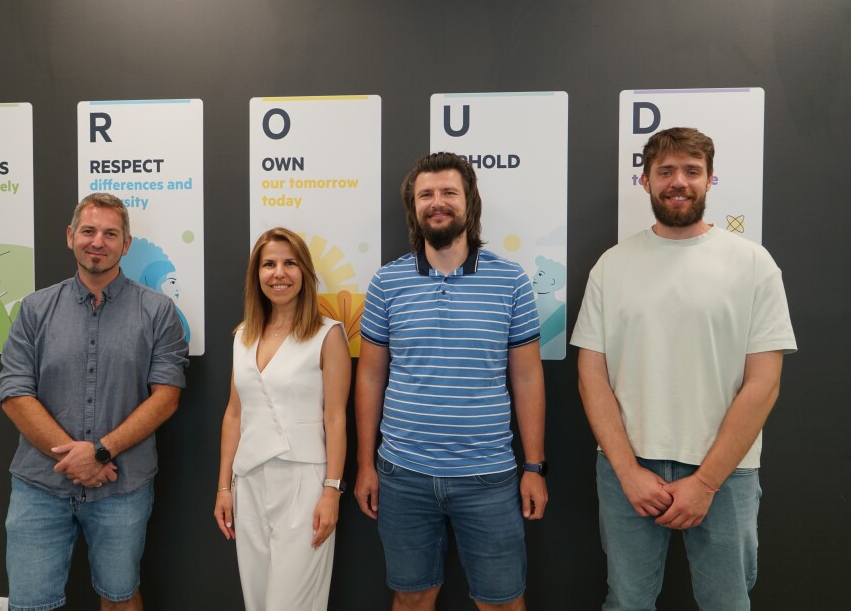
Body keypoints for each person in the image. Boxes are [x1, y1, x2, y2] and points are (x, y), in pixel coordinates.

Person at [571, 127, 797, 610]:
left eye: (692, 171)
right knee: (626, 603)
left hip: (727, 471)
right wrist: (627, 470)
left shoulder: (753, 264)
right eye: (666, 171)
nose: (679, 182)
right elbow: (592, 378)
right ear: (646, 181)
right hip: (628, 468)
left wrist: (707, 481)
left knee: (727, 603)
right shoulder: (611, 266)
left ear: (710, 179)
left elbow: (764, 383)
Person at [355, 152, 548, 611]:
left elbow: (527, 376)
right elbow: (370, 376)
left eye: (448, 192)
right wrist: (365, 465)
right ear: (414, 207)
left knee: (502, 603)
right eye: (426, 194)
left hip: (489, 476)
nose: (437, 202)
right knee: (412, 597)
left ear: (469, 202)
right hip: (402, 474)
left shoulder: (510, 281)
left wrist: (535, 467)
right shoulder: (386, 282)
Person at [0, 192, 189, 611]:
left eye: (110, 233)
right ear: (70, 236)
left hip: (123, 486)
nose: (97, 242)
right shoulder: (34, 310)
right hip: (39, 487)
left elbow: (166, 398)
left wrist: (101, 452)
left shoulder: (158, 312)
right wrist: (77, 460)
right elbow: (14, 394)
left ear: (126, 244)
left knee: (120, 598)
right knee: (29, 604)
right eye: (88, 231)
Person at [214, 227, 351, 611]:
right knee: (257, 601)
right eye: (269, 264)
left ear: (305, 272)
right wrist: (224, 487)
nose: (279, 273)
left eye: (290, 263)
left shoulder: (328, 335)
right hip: (249, 483)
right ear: (256, 274)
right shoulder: (243, 336)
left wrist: (332, 491)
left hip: (304, 485)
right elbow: (234, 413)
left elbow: (336, 419)